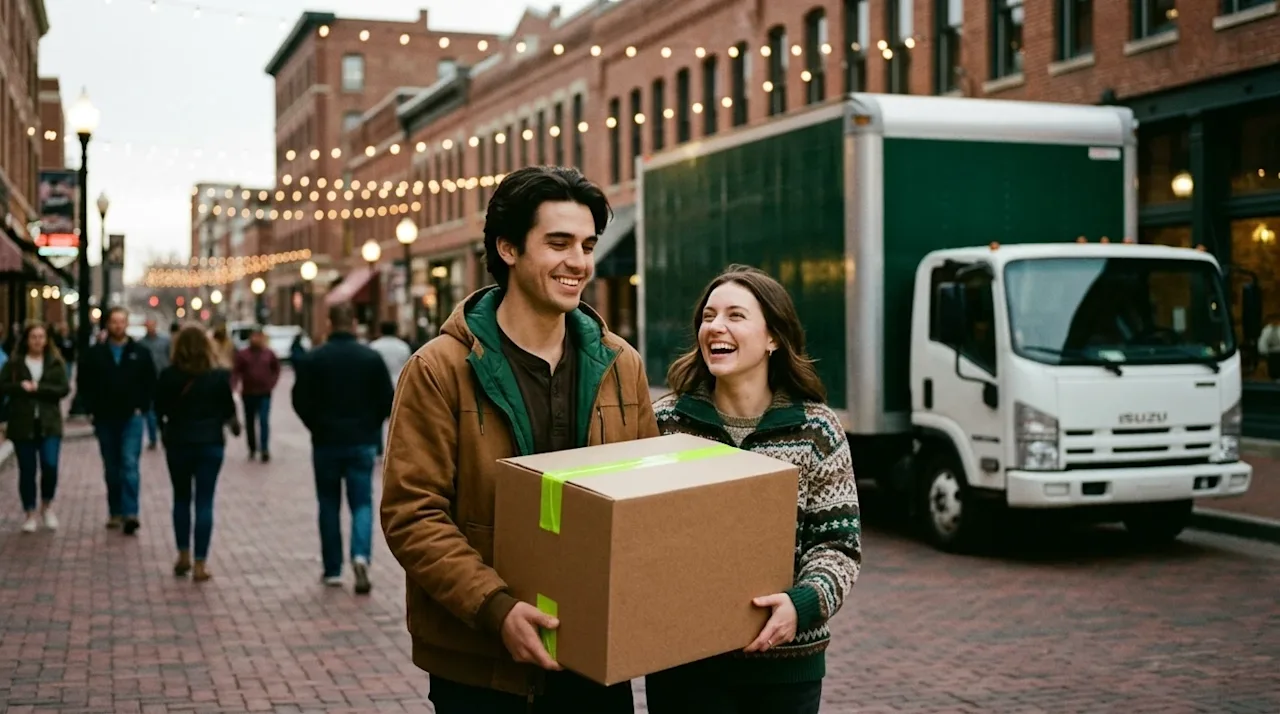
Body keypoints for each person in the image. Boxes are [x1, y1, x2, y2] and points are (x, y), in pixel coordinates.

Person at [379, 165, 659, 713]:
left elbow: (646, 499)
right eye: (558, 243)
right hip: (480, 663)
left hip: (594, 661)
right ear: (508, 248)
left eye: (586, 244)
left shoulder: (621, 365)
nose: (578, 262)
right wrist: (496, 608)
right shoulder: (438, 369)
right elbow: (413, 514)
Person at [643, 265, 862, 714]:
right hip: (684, 665)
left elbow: (838, 546)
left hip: (785, 668)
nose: (715, 327)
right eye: (708, 316)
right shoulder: (665, 424)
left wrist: (799, 606)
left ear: (773, 338)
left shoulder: (816, 429)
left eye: (735, 316)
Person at [292, 303, 394, 595]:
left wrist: (315, 424)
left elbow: (299, 399)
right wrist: (370, 425)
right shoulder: (370, 358)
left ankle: (333, 569)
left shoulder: (315, 359)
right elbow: (388, 399)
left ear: (329, 322)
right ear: (354, 323)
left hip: (325, 442)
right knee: (362, 502)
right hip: (361, 440)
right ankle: (360, 555)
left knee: (328, 504)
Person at [155, 325, 238, 582]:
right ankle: (201, 563)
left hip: (179, 442)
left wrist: (165, 431)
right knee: (204, 501)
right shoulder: (218, 377)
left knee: (181, 498)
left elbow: (159, 409)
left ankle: (183, 554)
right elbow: (228, 410)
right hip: (210, 443)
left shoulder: (169, 375)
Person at [78, 306, 156, 534]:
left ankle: (131, 512)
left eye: (122, 321)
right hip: (104, 417)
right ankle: (115, 511)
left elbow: (150, 382)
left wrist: (143, 406)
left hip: (132, 417)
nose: (118, 326)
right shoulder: (95, 354)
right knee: (112, 467)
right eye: (114, 321)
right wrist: (91, 408)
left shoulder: (139, 352)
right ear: (107, 324)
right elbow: (85, 383)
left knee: (129, 463)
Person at [1, 322, 71, 532]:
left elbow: (63, 389)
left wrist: (39, 389)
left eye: (41, 337)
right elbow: (3, 386)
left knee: (50, 465)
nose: (38, 341)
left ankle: (46, 506)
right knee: (27, 469)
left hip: (49, 424)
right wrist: (20, 387)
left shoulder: (55, 363)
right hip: (23, 423)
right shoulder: (14, 364)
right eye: (33, 337)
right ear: (26, 340)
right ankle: (29, 512)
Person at [232, 326, 281, 462]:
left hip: (264, 392)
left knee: (264, 421)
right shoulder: (243, 354)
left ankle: (264, 449)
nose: (256, 339)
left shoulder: (269, 353)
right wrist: (234, 385)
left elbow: (276, 369)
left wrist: (272, 383)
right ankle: (252, 447)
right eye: (254, 336)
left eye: (258, 336)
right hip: (248, 393)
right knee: (250, 422)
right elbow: (236, 371)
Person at [367, 320, 412, 456]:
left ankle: (379, 448)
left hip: (377, 387)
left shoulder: (374, 346)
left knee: (377, 419)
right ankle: (398, 448)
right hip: (399, 385)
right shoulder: (403, 347)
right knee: (399, 419)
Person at [137, 318, 172, 450]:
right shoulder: (141, 344)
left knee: (165, 410)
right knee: (151, 412)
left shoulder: (165, 341)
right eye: (148, 326)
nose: (150, 328)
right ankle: (153, 438)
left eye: (152, 325)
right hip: (149, 382)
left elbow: (171, 357)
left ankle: (164, 434)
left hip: (164, 381)